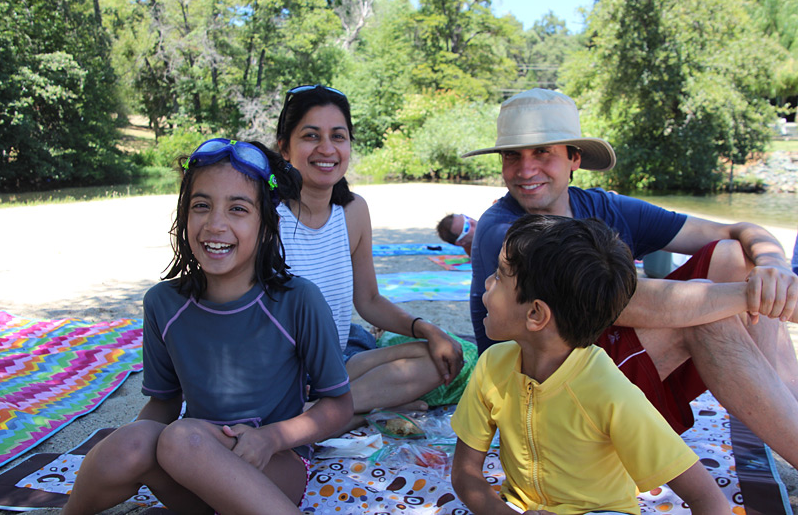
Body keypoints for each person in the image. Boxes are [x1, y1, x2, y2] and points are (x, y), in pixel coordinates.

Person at [465, 88, 798, 469]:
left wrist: (776, 269)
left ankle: (784, 414)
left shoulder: (603, 206)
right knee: (709, 319)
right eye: (513, 155)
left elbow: (737, 230)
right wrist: (753, 296)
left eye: (543, 152)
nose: (525, 170)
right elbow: (624, 303)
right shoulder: (507, 229)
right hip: (547, 407)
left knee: (734, 256)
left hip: (602, 377)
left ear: (574, 158)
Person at [62, 139, 353, 515]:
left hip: (273, 468)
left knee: (182, 437)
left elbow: (339, 405)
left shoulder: (298, 301)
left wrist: (270, 438)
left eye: (238, 209)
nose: (216, 224)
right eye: (201, 206)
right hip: (189, 462)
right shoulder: (162, 304)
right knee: (135, 438)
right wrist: (129, 447)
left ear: (267, 225)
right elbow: (163, 403)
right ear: (184, 216)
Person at [451, 215, 728, 515]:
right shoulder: (492, 365)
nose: (486, 284)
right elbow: (465, 475)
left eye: (499, 276)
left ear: (535, 314)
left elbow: (709, 500)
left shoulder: (610, 392)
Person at [274, 85, 467, 431]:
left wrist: (427, 328)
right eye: (310, 136)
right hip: (276, 373)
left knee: (436, 357)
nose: (327, 149)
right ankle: (344, 411)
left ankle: (322, 412)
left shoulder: (352, 211)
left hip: (333, 371)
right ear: (284, 148)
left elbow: (369, 300)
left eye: (338, 136)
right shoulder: (264, 216)